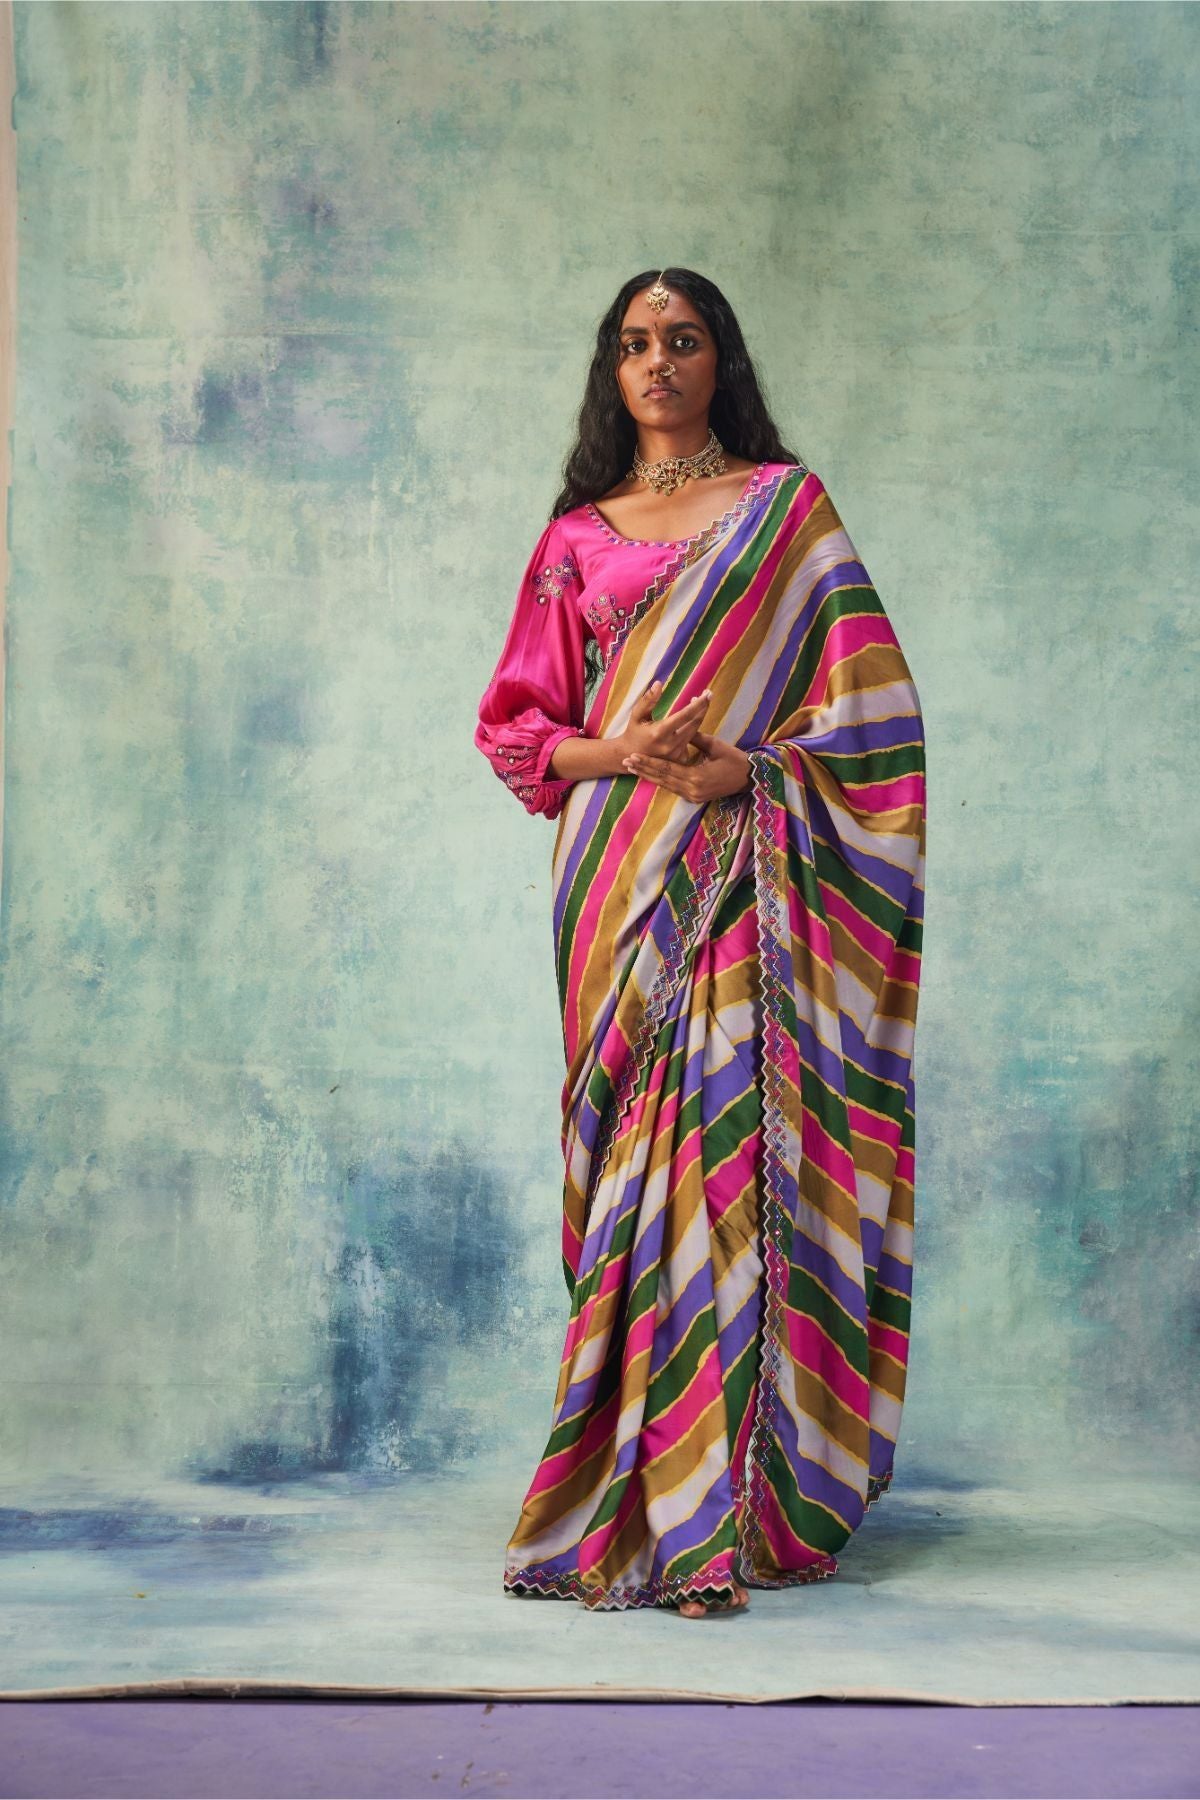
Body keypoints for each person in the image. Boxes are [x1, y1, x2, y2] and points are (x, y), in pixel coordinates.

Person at [475, 267, 927, 1617]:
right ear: (612, 372)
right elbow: (518, 731)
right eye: (635, 344)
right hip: (617, 872)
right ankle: (635, 1486)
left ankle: (711, 1518)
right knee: (634, 1168)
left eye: (682, 339)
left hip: (743, 869)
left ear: (720, 359)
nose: (658, 361)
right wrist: (628, 751)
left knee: (724, 1158)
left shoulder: (787, 513)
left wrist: (749, 775)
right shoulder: (575, 538)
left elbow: (876, 722)